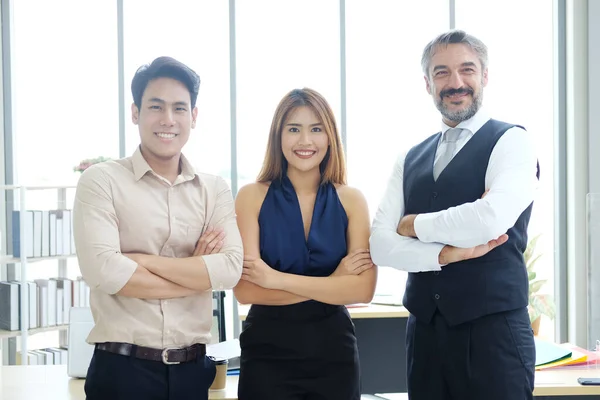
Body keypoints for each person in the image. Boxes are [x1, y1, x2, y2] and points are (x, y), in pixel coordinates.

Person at [370, 30, 539, 400]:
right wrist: (444, 253)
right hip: (425, 336)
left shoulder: (512, 142)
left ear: (485, 76)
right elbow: (381, 246)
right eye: (442, 72)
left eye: (467, 70)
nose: (456, 82)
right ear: (428, 83)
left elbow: (489, 220)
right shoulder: (409, 157)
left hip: (493, 337)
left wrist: (414, 225)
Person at [72, 56, 243, 400]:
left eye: (180, 108)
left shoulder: (214, 189)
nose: (168, 120)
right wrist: (194, 274)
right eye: (156, 106)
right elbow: (105, 272)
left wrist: (142, 262)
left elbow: (229, 270)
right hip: (122, 372)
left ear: (193, 117)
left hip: (193, 374)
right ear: (135, 112)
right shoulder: (102, 181)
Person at [233, 88, 377, 400]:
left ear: (330, 137)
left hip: (333, 354)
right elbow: (245, 292)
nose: (305, 142)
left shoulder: (351, 200)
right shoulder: (251, 197)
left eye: (316, 129)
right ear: (278, 135)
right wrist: (334, 283)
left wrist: (276, 280)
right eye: (293, 129)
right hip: (266, 355)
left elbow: (362, 290)